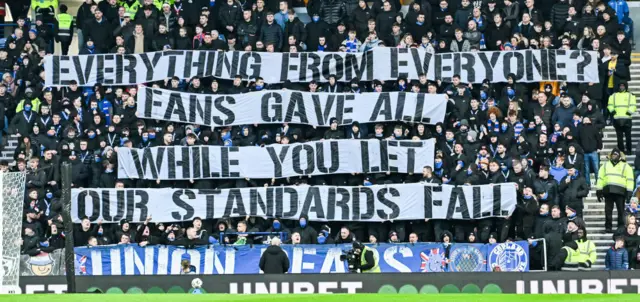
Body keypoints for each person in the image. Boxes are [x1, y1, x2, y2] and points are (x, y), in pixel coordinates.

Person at [597, 148, 635, 233]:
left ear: (619, 156)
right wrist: (599, 190)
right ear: (611, 155)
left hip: (620, 192)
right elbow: (600, 178)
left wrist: (629, 192)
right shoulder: (605, 165)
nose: (614, 156)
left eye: (616, 155)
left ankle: (621, 227)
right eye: (613, 154)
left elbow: (630, 179)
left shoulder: (625, 166)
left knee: (621, 211)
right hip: (608, 192)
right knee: (608, 211)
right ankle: (608, 227)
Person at [608, 82, 636, 154]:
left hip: (627, 119)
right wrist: (613, 111)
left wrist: (629, 112)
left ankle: (629, 150)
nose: (621, 87)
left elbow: (633, 105)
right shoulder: (613, 95)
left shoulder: (630, 95)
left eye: (623, 86)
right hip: (617, 119)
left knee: (628, 136)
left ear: (626, 86)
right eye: (620, 85)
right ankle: (621, 151)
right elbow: (610, 105)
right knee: (619, 137)